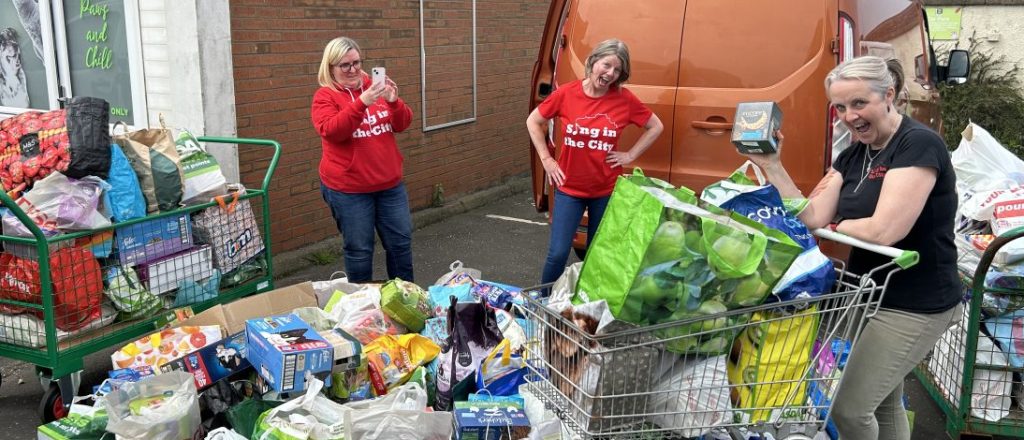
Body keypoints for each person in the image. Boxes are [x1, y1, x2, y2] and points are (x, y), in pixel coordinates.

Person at [740, 56, 961, 440]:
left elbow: (885, 230)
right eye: (840, 107)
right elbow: (811, 216)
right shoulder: (854, 153)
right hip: (869, 294)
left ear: (888, 95)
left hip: (916, 301)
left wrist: (840, 225)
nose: (849, 115)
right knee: (885, 403)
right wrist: (773, 165)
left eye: (859, 103)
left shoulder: (917, 145)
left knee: (850, 410)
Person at [526, 38, 664, 284]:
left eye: (618, 70)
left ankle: (585, 307)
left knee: (596, 254)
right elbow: (533, 121)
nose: (610, 74)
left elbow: (655, 126)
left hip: (605, 189)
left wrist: (630, 155)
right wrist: (546, 159)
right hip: (570, 188)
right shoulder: (567, 93)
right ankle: (545, 304)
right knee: (558, 253)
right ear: (593, 62)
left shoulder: (624, 99)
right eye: (607, 65)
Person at [311, 36, 415, 283]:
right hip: (349, 190)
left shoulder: (374, 86)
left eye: (356, 62)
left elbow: (402, 123)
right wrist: (361, 103)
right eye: (344, 65)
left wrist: (393, 101)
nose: (353, 69)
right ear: (330, 67)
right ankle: (361, 309)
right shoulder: (325, 96)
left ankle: (408, 300)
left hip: (389, 186)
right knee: (360, 251)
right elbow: (333, 131)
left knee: (400, 246)